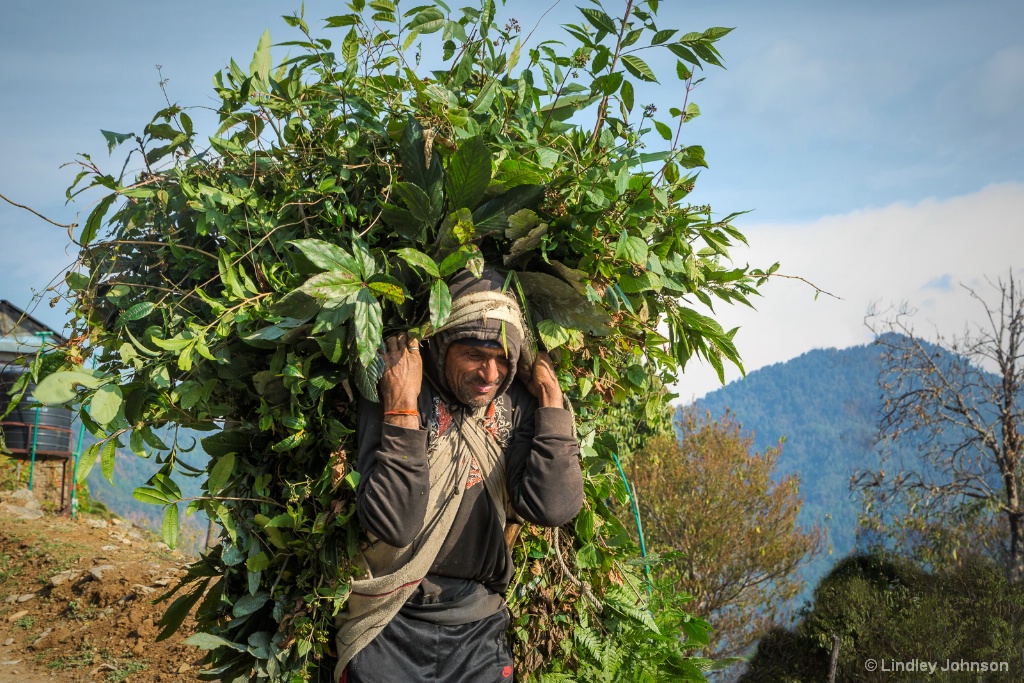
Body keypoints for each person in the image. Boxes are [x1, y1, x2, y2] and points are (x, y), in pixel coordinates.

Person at [334, 269, 584, 683]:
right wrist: (400, 407)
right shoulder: (401, 384)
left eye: (503, 358)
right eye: (474, 354)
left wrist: (553, 405)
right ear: (441, 344)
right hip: (388, 620)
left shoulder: (517, 404)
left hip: (477, 626)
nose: (490, 375)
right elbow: (394, 523)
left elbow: (552, 506)